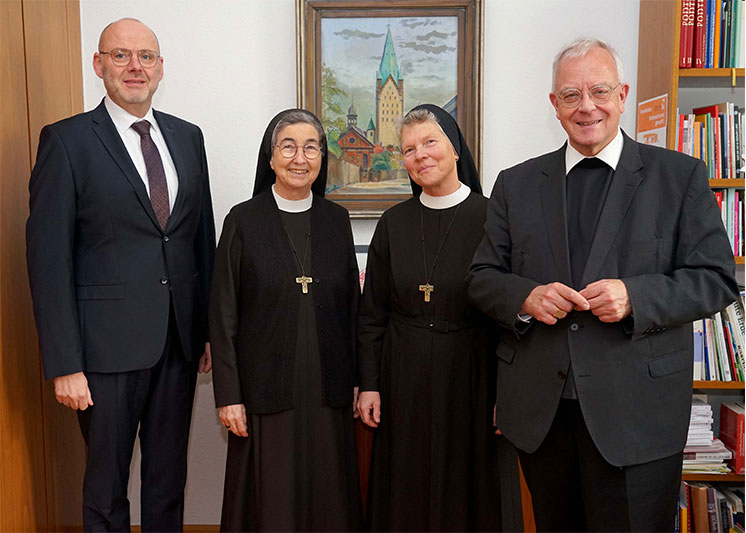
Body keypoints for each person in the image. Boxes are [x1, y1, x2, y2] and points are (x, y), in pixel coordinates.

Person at [467, 38, 739, 532]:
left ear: (623, 94)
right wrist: (525, 298)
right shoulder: (516, 184)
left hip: (638, 415)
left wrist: (636, 296)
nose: (586, 106)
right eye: (571, 95)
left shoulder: (679, 177)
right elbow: (482, 278)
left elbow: (716, 279)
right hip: (542, 417)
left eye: (599, 91)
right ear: (554, 104)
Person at [25, 18, 215, 532]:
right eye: (121, 55)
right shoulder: (66, 142)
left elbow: (200, 243)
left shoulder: (187, 137)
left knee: (167, 483)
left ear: (160, 68)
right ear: (99, 65)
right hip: (102, 353)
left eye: (146, 56)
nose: (135, 67)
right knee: (106, 489)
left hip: (178, 343)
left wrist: (207, 332)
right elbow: (48, 260)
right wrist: (64, 363)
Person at [210, 109, 362, 531]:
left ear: (322, 156)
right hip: (263, 389)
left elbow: (352, 307)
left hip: (328, 389)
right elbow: (222, 314)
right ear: (271, 157)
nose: (300, 157)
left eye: (311, 146)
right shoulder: (243, 220)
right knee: (272, 500)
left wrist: (357, 378)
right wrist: (228, 395)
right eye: (288, 146)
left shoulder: (336, 220)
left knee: (329, 494)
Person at [357, 104, 502, 531]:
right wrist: (369, 384)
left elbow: (511, 316)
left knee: (466, 483)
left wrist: (504, 393)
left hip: (472, 373)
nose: (419, 155)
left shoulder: (494, 218)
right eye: (408, 149)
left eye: (429, 142)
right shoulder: (393, 223)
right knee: (405, 483)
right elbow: (372, 314)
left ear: (455, 149)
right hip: (403, 374)